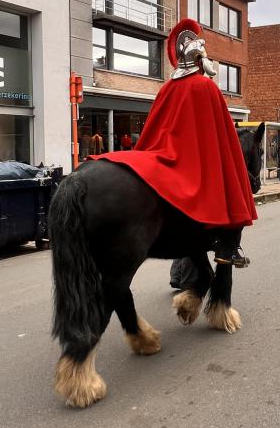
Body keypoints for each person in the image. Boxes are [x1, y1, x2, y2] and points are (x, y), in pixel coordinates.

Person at [95, 18, 257, 267]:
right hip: (194, 157)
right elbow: (221, 137)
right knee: (225, 184)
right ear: (200, 59)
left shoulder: (167, 87)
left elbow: (156, 128)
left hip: (161, 150)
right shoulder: (206, 86)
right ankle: (227, 249)